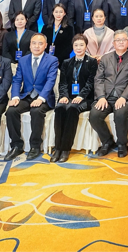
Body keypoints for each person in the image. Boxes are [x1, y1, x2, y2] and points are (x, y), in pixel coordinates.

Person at [5, 33, 59, 162]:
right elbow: (17, 80)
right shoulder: (23, 60)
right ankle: (16, 145)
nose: (36, 46)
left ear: (45, 46)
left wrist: (41, 98)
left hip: (43, 97)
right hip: (27, 95)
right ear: (30, 45)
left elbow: (50, 81)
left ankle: (35, 146)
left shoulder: (52, 60)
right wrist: (15, 96)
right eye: (34, 43)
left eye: (40, 43)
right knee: (11, 111)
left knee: (36, 111)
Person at [89, 30, 128, 158]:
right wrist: (101, 97)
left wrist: (123, 97)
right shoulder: (105, 58)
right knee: (94, 115)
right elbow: (98, 79)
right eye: (118, 40)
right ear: (113, 43)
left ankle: (122, 144)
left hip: (124, 97)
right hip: (106, 97)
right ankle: (107, 141)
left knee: (120, 113)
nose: (121, 42)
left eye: (124, 40)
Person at [51, 35, 98, 163]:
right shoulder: (67, 62)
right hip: (69, 97)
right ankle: (58, 148)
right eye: (76, 45)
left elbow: (91, 83)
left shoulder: (92, 62)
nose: (78, 48)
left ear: (86, 46)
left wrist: (80, 96)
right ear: (72, 46)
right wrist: (64, 96)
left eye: (81, 45)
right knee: (60, 108)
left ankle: (66, 149)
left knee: (72, 109)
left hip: (86, 98)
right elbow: (63, 83)